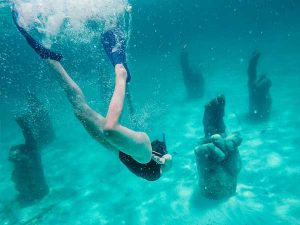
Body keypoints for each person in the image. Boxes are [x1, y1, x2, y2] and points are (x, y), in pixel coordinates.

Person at [12, 10, 172, 181]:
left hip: (124, 152)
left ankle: (50, 59)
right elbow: (167, 159)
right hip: (140, 153)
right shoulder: (144, 152)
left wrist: (166, 160)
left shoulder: (149, 161)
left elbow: (167, 162)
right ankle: (121, 73)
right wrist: (163, 158)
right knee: (109, 128)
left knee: (80, 111)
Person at [194, 95, 242, 199]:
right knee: (220, 146)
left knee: (212, 148)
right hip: (220, 188)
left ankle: (214, 129)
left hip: (215, 190)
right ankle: (216, 130)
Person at [247, 51, 272, 120]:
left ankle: (253, 61)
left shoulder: (257, 88)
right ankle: (253, 61)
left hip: (256, 94)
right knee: (252, 79)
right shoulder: (261, 91)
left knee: (252, 78)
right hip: (257, 96)